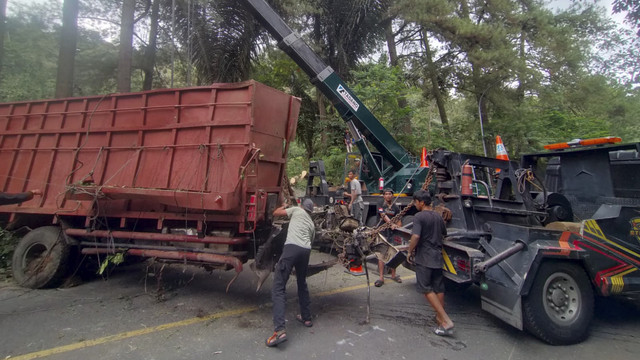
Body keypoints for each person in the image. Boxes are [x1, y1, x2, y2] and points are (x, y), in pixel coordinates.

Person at [266, 198, 316, 347]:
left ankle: (280, 330)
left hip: (291, 249)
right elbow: (311, 242)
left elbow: (276, 213)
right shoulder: (311, 224)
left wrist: (285, 206)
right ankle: (306, 318)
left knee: (278, 287)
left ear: (301, 206)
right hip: (305, 251)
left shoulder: (296, 210)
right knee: (302, 282)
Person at [406, 189, 454, 336]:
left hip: (424, 257)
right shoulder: (438, 217)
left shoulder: (419, 216)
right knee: (438, 288)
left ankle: (446, 320)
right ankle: (440, 319)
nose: (415, 204)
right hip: (437, 257)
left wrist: (409, 251)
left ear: (421, 202)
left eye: (415, 202)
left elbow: (415, 236)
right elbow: (444, 234)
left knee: (426, 288)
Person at [375, 188, 402, 287]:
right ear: (383, 196)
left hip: (392, 233)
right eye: (386, 194)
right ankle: (381, 277)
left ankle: (393, 275)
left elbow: (399, 219)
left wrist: (398, 226)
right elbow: (383, 215)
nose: (388, 196)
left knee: (394, 254)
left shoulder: (395, 207)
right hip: (382, 232)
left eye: (390, 194)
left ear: (392, 195)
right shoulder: (380, 204)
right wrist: (391, 224)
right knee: (381, 254)